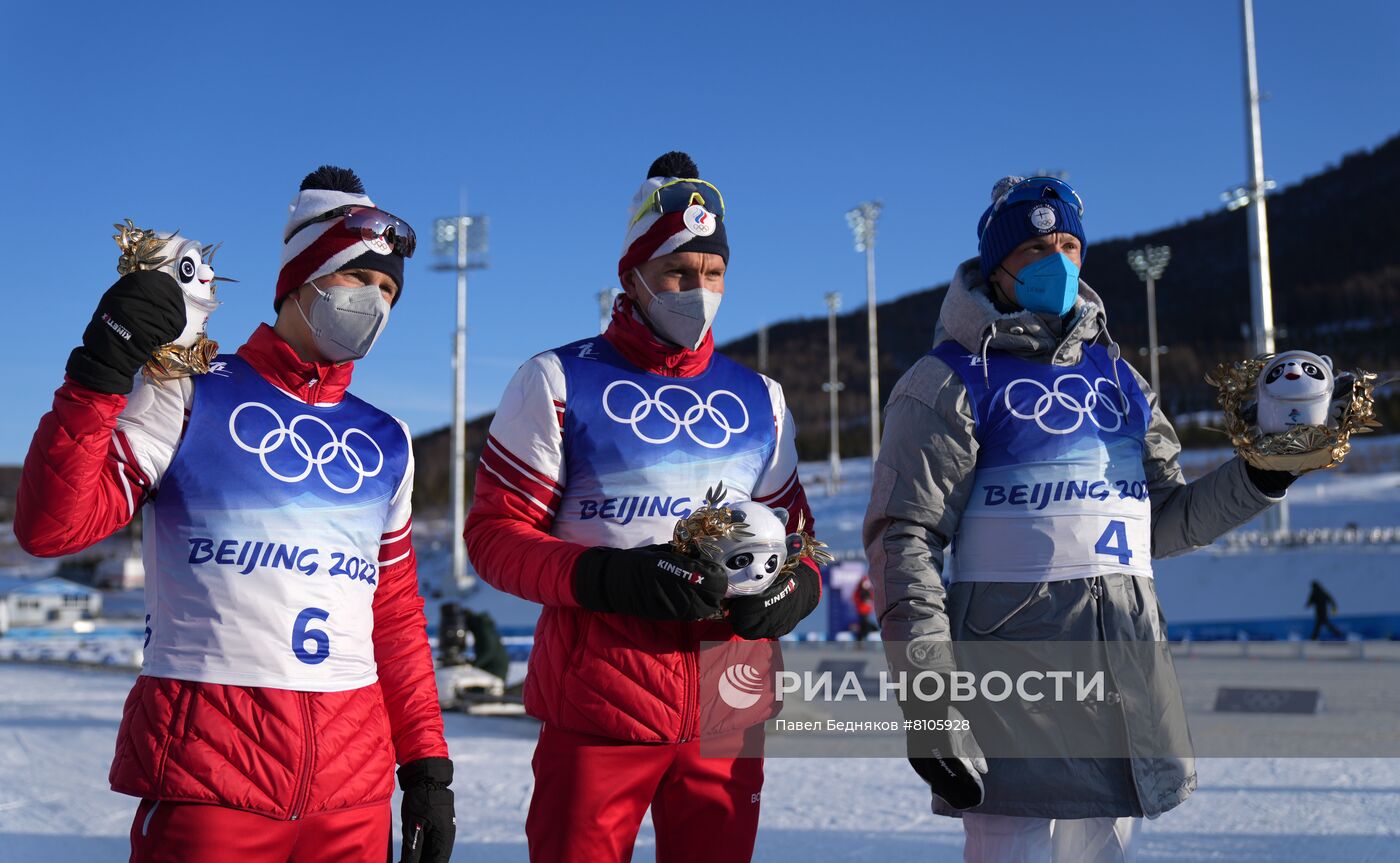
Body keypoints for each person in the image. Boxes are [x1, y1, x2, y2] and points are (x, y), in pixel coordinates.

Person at [15, 167, 455, 863]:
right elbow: (51, 526)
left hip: (354, 795)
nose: (374, 300)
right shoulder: (187, 396)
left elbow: (394, 619)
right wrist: (98, 373)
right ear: (303, 278)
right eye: (357, 278)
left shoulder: (386, 439)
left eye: (389, 290)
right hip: (210, 781)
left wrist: (426, 766)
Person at [864, 175, 1299, 862]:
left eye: (1068, 243)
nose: (1057, 261)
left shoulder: (1121, 379)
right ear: (996, 265)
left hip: (1125, 692)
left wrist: (1261, 476)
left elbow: (1160, 524)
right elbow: (904, 539)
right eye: (1036, 248)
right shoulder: (945, 381)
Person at [464, 151, 822, 863]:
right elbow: (495, 537)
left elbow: (800, 536)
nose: (699, 290)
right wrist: (609, 577)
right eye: (677, 274)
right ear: (632, 275)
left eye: (712, 274)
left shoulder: (759, 396)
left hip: (728, 699)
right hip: (603, 698)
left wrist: (795, 588)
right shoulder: (558, 378)